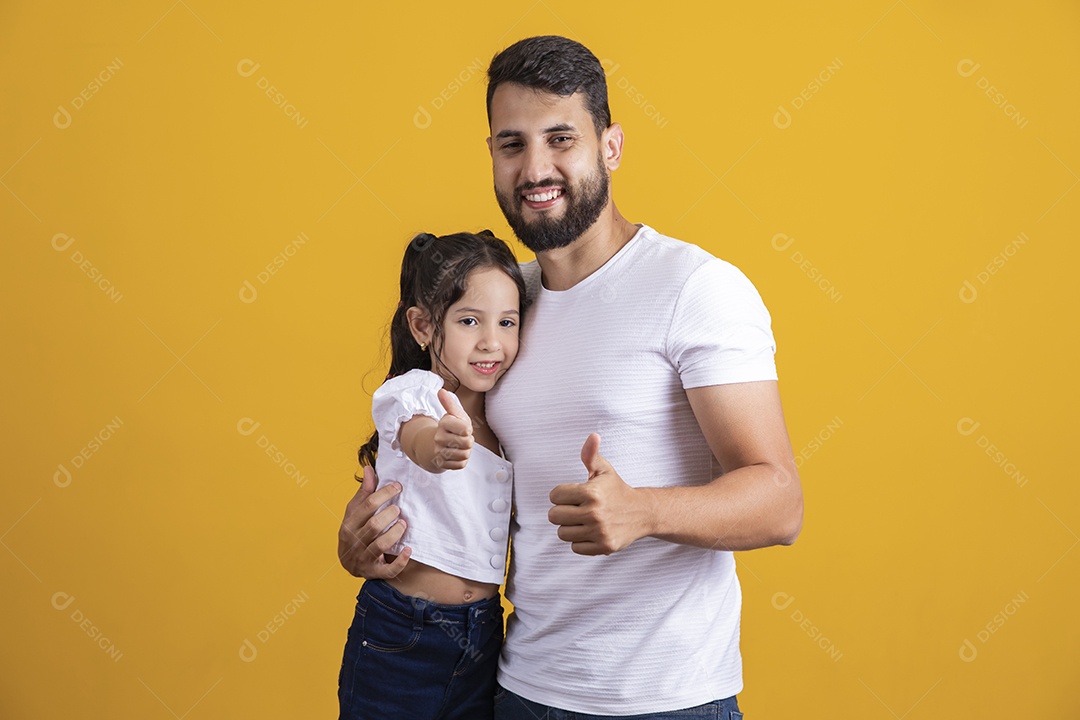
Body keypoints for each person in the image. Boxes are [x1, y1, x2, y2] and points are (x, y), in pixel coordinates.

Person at [339, 36, 804, 719]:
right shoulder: (502, 309)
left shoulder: (694, 287)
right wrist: (367, 539)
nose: (536, 168)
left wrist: (643, 511)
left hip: (665, 702)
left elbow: (779, 501)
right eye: (512, 144)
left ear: (611, 146)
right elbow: (439, 454)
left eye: (561, 138)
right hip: (518, 687)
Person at [338, 230, 526, 720]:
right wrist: (437, 446)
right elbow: (416, 436)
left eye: (508, 322)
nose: (492, 341)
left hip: (484, 633)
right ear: (422, 326)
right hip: (402, 633)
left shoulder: (505, 414)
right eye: (469, 321)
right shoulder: (416, 393)